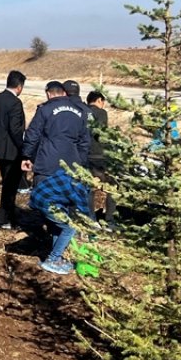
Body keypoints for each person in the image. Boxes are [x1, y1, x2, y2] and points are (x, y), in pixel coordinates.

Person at [21, 81, 90, 273]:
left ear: (49, 94)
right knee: (64, 210)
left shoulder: (45, 109)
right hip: (70, 167)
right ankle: (56, 254)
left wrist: (26, 156)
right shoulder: (81, 111)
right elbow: (85, 141)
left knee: (52, 212)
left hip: (47, 165)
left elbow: (32, 134)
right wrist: (80, 164)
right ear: (65, 93)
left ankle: (54, 255)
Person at [0, 70, 26, 230]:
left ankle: (7, 215)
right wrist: (23, 148)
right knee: (10, 186)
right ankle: (4, 219)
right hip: (12, 151)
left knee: (8, 183)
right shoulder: (15, 103)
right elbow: (15, 129)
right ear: (19, 86)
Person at [85, 91, 116, 228]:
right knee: (113, 186)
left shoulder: (82, 111)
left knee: (88, 188)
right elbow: (101, 134)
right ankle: (109, 220)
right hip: (99, 156)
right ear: (99, 100)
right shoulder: (101, 113)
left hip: (85, 155)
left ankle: (89, 219)